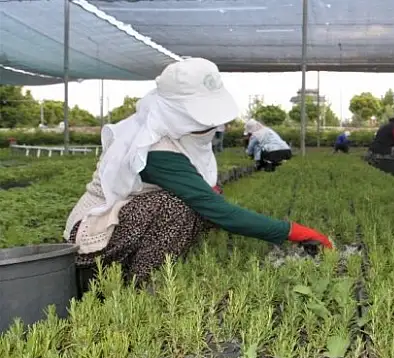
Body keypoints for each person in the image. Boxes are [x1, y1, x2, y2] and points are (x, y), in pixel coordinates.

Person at [63, 58, 332, 285]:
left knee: (204, 197)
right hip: (92, 237)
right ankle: (142, 284)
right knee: (178, 205)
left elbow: (211, 200)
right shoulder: (155, 149)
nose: (212, 127)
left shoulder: (176, 136)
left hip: (122, 223)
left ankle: (154, 269)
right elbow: (220, 212)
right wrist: (293, 231)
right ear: (176, 113)